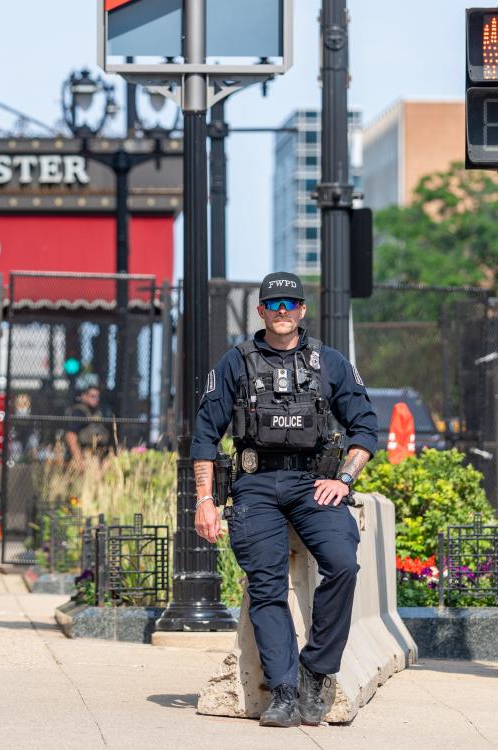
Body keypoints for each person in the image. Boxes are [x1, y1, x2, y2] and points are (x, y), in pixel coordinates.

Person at [191, 272, 377, 728]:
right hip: (255, 485)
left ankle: (316, 668)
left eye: (290, 304)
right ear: (260, 312)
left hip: (314, 484)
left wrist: (346, 479)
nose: (282, 311)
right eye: (273, 305)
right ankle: (285, 691)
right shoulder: (235, 363)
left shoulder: (328, 362)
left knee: (343, 563)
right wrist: (204, 500)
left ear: (302, 311)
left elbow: (367, 428)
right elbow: (204, 436)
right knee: (266, 583)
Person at [64, 386, 112, 465]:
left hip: (98, 458)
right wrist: (79, 461)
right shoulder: (79, 412)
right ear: (84, 396)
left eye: (97, 396)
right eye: (92, 396)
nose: (96, 399)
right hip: (84, 457)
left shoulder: (100, 413)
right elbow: (70, 436)